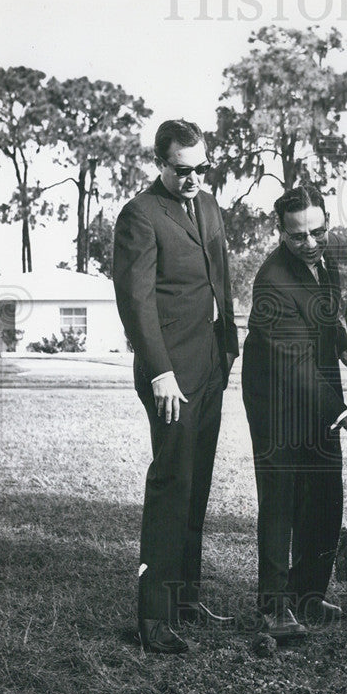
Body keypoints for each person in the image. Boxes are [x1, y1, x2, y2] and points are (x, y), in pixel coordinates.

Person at [113, 119, 239, 654]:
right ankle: (155, 618)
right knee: (171, 485)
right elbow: (135, 299)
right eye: (182, 170)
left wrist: (228, 345)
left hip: (211, 362)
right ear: (160, 163)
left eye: (201, 169)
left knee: (198, 482)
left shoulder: (208, 205)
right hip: (170, 373)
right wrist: (160, 371)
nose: (193, 180)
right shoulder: (140, 214)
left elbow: (221, 275)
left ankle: (186, 598)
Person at [241, 185, 347, 640]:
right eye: (298, 237)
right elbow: (292, 364)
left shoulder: (327, 260)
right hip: (277, 400)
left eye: (317, 231)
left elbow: (329, 321)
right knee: (282, 502)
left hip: (316, 391)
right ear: (281, 233)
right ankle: (274, 607)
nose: (310, 243)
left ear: (326, 222)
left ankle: (308, 594)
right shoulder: (272, 281)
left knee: (325, 494)